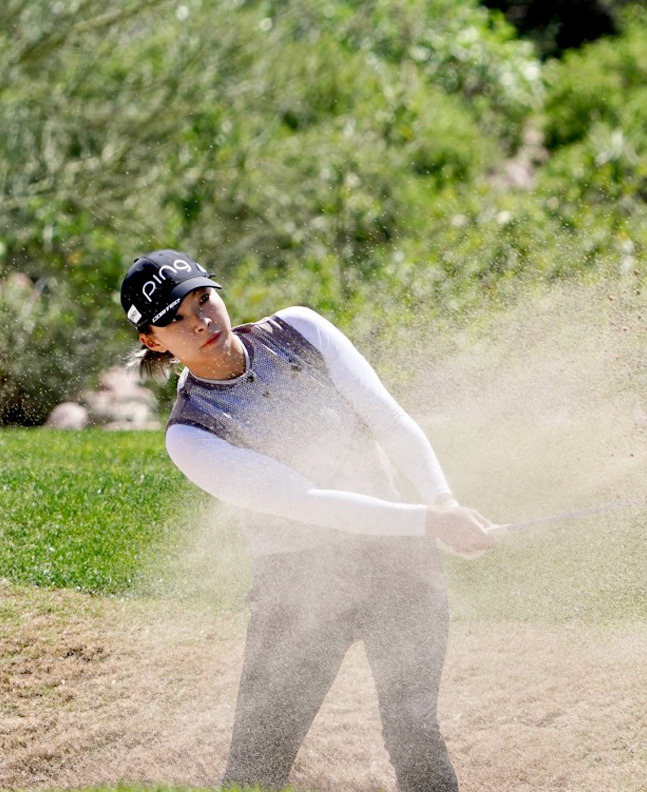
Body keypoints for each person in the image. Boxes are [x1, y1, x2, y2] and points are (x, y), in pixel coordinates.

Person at [119, 249, 498, 792]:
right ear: (153, 342)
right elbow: (310, 500)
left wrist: (441, 501)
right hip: (297, 589)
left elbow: (388, 420)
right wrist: (429, 523)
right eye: (175, 318)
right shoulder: (191, 435)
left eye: (203, 299)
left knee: (414, 732)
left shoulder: (298, 330)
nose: (200, 321)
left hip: (399, 564)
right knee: (256, 768)